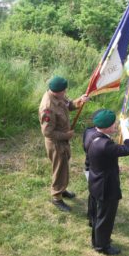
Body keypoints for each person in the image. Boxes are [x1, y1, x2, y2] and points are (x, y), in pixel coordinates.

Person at [87, 109, 129, 255]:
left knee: (97, 216)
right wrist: (125, 129)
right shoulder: (105, 144)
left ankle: (97, 240)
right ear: (107, 127)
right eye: (114, 124)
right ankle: (102, 246)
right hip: (106, 186)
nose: (115, 126)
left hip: (96, 181)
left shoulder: (92, 135)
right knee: (105, 218)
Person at [39, 76, 89, 212]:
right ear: (57, 91)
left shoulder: (59, 96)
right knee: (59, 169)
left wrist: (80, 100)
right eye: (64, 91)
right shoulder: (48, 107)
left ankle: (62, 189)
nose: (65, 93)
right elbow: (47, 132)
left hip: (63, 142)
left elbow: (69, 105)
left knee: (64, 166)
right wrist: (66, 135)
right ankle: (56, 197)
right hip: (55, 143)